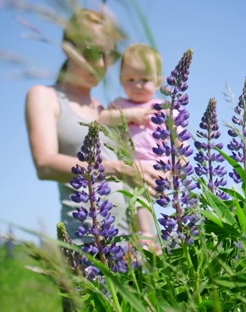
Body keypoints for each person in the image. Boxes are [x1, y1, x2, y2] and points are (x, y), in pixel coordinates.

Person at [24, 9, 160, 243]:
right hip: (88, 242)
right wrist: (121, 168)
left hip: (135, 242)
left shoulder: (107, 111)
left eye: (109, 55)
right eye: (90, 53)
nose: (100, 64)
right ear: (68, 48)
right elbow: (45, 165)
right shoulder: (45, 96)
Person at [98, 44, 164, 242]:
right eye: (130, 80)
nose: (137, 85)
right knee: (134, 199)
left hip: (157, 165)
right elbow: (101, 118)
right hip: (130, 164)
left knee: (143, 197)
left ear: (158, 82)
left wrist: (179, 163)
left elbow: (178, 138)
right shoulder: (120, 105)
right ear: (121, 81)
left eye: (144, 80)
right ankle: (143, 235)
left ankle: (148, 236)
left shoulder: (162, 108)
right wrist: (130, 114)